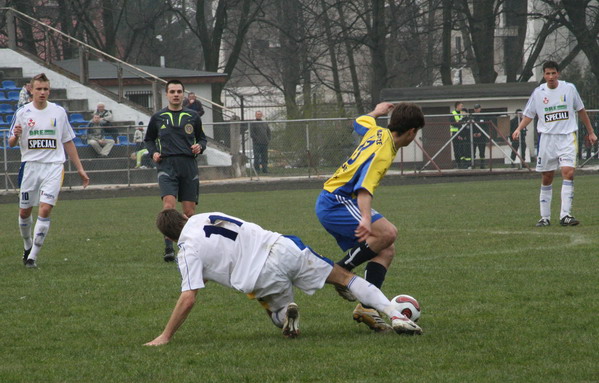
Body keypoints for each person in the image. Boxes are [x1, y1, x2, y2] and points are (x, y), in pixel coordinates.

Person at [144, 210, 422, 346]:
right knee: (345, 277)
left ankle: (288, 317)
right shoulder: (205, 215)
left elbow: (189, 296)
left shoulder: (186, 249)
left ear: (168, 237)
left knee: (277, 315)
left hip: (259, 276)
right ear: (184, 215)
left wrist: (166, 335)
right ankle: (393, 312)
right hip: (283, 247)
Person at [315, 102, 425, 333]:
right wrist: (366, 218)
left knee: (386, 249)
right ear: (412, 131)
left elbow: (359, 122)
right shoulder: (383, 152)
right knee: (388, 233)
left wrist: (376, 112)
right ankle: (339, 271)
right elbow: (364, 188)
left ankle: (366, 307)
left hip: (338, 200)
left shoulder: (378, 131)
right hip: (338, 201)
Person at [7, 73, 90, 268]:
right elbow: (11, 142)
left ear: (49, 91)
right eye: (39, 89)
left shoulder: (58, 112)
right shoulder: (22, 112)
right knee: (25, 212)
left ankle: (32, 257)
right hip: (30, 167)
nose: (42, 92)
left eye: (45, 89)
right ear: (32, 90)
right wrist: (15, 136)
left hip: (53, 167)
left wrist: (80, 168)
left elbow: (68, 141)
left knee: (44, 209)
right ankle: (28, 245)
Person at [512, 60, 597, 227]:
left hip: (567, 137)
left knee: (568, 172)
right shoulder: (538, 93)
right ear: (543, 75)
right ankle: (545, 217)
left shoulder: (569, 89)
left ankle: (565, 215)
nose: (550, 77)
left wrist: (591, 131)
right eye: (547, 73)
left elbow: (580, 110)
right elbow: (529, 114)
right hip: (547, 138)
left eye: (553, 73)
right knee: (547, 176)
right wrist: (518, 128)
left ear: (558, 74)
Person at [144, 79, 207, 262]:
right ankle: (168, 248)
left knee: (189, 213)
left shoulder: (193, 116)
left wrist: (199, 147)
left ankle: (190, 248)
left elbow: (202, 139)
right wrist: (153, 152)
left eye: (179, 91)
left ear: (183, 94)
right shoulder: (158, 117)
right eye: (172, 91)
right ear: (167, 94)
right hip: (167, 165)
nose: (176, 94)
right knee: (168, 207)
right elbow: (148, 140)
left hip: (188, 165)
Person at [450, 101, 471, 169]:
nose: (462, 107)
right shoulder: (453, 114)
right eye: (461, 106)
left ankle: (464, 164)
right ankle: (458, 164)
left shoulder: (463, 113)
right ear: (457, 106)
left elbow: (466, 121)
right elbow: (453, 123)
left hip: (463, 134)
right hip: (455, 133)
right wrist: (460, 124)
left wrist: (459, 123)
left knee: (463, 149)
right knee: (456, 150)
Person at [471, 104, 488, 168]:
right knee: (473, 151)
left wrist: (481, 133)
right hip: (474, 137)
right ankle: (473, 165)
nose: (476, 109)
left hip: (482, 137)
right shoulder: (472, 117)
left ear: (480, 109)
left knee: (482, 152)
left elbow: (486, 127)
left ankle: (482, 165)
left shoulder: (483, 117)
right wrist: (473, 134)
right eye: (475, 108)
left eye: (477, 108)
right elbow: (470, 127)